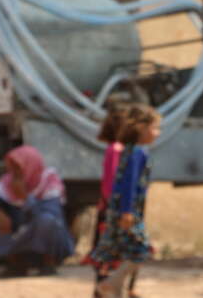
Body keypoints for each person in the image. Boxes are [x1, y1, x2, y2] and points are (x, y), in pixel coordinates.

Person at [0, 145, 75, 278]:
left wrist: (25, 198)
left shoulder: (49, 181)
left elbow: (50, 215)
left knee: (47, 220)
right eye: (12, 168)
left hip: (45, 240)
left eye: (18, 168)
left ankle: (48, 263)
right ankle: (16, 264)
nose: (14, 172)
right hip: (18, 237)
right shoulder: (7, 182)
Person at [91, 103, 161, 298]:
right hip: (128, 212)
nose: (157, 133)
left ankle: (115, 289)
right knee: (141, 250)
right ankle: (110, 283)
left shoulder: (128, 150)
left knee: (124, 253)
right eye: (154, 128)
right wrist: (127, 211)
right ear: (141, 128)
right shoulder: (138, 152)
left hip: (119, 209)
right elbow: (128, 183)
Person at [84, 105, 140, 298]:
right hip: (113, 211)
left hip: (109, 209)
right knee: (115, 253)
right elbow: (112, 183)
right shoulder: (117, 150)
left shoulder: (114, 149)